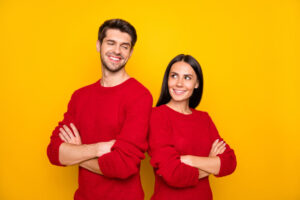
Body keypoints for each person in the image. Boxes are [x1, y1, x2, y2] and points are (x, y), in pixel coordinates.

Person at [47, 19, 152, 200]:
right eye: (111, 43)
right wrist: (98, 148)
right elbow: (55, 152)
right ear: (98, 45)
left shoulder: (140, 96)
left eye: (124, 46)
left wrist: (77, 152)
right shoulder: (80, 97)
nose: (117, 51)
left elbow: (123, 166)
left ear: (131, 52)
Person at [148, 54, 237, 200]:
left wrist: (188, 160)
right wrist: (210, 162)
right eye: (174, 76)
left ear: (197, 84)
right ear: (167, 79)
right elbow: (173, 175)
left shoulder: (204, 119)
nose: (179, 83)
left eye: (187, 77)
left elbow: (230, 162)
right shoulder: (156, 116)